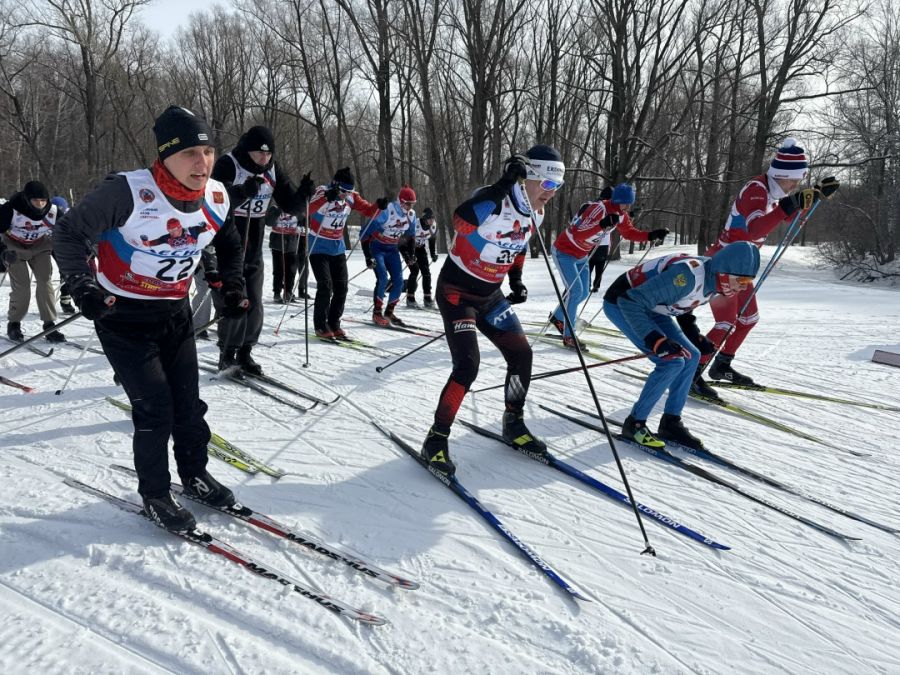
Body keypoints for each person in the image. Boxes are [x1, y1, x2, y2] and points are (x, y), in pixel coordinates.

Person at [53, 105, 247, 533]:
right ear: (165, 157)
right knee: (155, 408)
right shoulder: (126, 192)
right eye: (190, 153)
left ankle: (194, 474)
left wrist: (228, 284)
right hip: (121, 315)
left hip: (173, 312)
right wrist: (82, 286)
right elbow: (68, 232)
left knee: (189, 405)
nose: (203, 163)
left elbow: (229, 243)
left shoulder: (216, 195)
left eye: (209, 151)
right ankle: (156, 493)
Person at [421, 144, 564, 475]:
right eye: (547, 184)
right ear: (527, 177)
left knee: (521, 354)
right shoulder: (493, 201)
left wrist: (515, 280)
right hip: (457, 293)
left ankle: (513, 422)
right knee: (468, 365)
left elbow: (518, 246)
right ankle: (436, 439)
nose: (551, 194)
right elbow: (461, 222)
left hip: (490, 295)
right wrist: (502, 185)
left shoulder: (536, 213)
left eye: (558, 187)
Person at [691, 138, 839, 398]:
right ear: (780, 175)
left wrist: (814, 195)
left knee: (748, 319)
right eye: (793, 180)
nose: (795, 185)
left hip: (741, 266)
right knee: (726, 322)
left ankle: (721, 366)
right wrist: (790, 204)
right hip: (722, 263)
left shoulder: (774, 193)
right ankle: (692, 373)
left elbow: (787, 216)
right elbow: (754, 229)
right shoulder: (756, 190)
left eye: (799, 182)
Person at [603, 241, 761, 449]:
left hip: (653, 307)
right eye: (741, 280)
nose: (744, 286)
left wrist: (695, 337)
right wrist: (656, 340)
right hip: (624, 303)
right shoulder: (686, 276)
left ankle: (671, 423)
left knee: (692, 356)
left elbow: (684, 303)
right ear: (724, 273)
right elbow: (630, 301)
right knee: (671, 362)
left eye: (748, 281)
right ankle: (635, 425)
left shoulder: (714, 279)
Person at [211, 125, 314, 374]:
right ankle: (227, 352)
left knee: (255, 301)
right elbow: (212, 198)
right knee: (236, 298)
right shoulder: (229, 163)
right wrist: (240, 192)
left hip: (254, 236)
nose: (264, 159)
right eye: (259, 154)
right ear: (248, 150)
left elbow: (290, 205)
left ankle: (246, 351)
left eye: (268, 155)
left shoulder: (273, 169)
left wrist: (303, 195)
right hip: (229, 234)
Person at [549, 183, 669, 349]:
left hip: (582, 255)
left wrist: (650, 235)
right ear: (617, 200)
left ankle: (557, 317)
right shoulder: (598, 209)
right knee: (575, 291)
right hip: (564, 252)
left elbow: (628, 233)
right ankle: (569, 336)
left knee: (583, 292)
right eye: (625, 203)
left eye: (629, 204)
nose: (627, 207)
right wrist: (601, 225)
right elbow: (577, 233)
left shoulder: (621, 214)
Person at [306, 167, 386, 339]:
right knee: (325, 287)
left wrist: (378, 206)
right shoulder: (322, 192)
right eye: (343, 191)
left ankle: (334, 322)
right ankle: (320, 325)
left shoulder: (351, 197)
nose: (345, 195)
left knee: (342, 287)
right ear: (334, 185)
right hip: (318, 246)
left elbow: (367, 210)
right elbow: (306, 210)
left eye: (349, 191)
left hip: (337, 248)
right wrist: (327, 199)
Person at [0, 180, 66, 343]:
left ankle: (49, 324)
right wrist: (2, 252)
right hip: (14, 247)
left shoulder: (54, 212)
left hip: (40, 246)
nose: (39, 205)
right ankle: (14, 323)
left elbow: (66, 235)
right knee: (22, 286)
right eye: (35, 201)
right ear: (26, 199)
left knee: (45, 282)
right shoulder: (10, 208)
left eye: (43, 201)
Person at [361, 185, 418, 327]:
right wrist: (368, 256)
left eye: (412, 204)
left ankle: (389, 312)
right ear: (400, 201)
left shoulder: (411, 216)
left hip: (392, 249)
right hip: (377, 247)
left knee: (398, 281)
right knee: (383, 278)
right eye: (407, 204)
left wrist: (411, 254)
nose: (409, 207)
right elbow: (365, 233)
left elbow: (411, 236)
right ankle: (377, 312)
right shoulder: (388, 211)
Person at [268, 206, 308, 303]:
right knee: (279, 269)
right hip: (277, 243)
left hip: (292, 243)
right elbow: (268, 222)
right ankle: (277, 292)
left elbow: (303, 223)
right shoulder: (274, 208)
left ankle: (288, 292)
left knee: (291, 270)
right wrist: (277, 213)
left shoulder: (297, 209)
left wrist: (301, 229)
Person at [404, 206, 438, 308]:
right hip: (410, 248)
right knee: (415, 271)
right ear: (424, 218)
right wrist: (410, 254)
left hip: (421, 248)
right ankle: (410, 298)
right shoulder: (416, 224)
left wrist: (433, 254)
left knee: (426, 272)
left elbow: (432, 240)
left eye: (433, 218)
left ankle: (427, 298)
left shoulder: (433, 226)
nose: (432, 221)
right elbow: (407, 238)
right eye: (429, 218)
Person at [50, 196, 77, 314]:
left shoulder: (72, 217)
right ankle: (46, 302)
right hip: (46, 245)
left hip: (63, 246)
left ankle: (66, 301)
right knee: (44, 274)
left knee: (66, 271)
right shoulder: (47, 215)